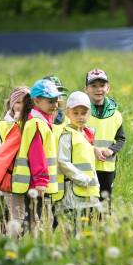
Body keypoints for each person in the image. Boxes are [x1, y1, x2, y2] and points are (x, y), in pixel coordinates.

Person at [12, 79, 60, 233]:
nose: (55, 105)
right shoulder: (36, 123)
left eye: (56, 100)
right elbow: (36, 155)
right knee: (32, 219)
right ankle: (21, 248)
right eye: (50, 101)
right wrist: (41, 181)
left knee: (34, 218)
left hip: (37, 182)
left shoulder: (41, 120)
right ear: (36, 101)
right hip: (35, 183)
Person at [53, 91, 100, 228]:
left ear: (89, 113)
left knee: (88, 231)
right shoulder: (67, 134)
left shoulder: (86, 134)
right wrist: (82, 179)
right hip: (74, 194)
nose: (80, 117)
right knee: (73, 230)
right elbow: (63, 161)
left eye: (84, 113)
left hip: (89, 192)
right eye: (76, 113)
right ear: (68, 113)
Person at [84, 69, 125, 206]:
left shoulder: (116, 115)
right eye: (93, 86)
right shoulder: (80, 112)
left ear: (108, 88)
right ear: (86, 89)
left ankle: (103, 226)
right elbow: (74, 136)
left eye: (102, 85)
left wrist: (112, 150)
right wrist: (92, 149)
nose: (98, 89)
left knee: (105, 203)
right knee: (87, 204)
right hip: (85, 166)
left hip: (107, 167)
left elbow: (121, 139)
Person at [0, 86, 30, 229]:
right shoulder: (3, 126)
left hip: (29, 179)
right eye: (18, 102)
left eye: (26, 102)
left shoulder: (33, 124)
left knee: (33, 217)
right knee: (17, 218)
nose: (22, 105)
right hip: (10, 179)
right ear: (12, 104)